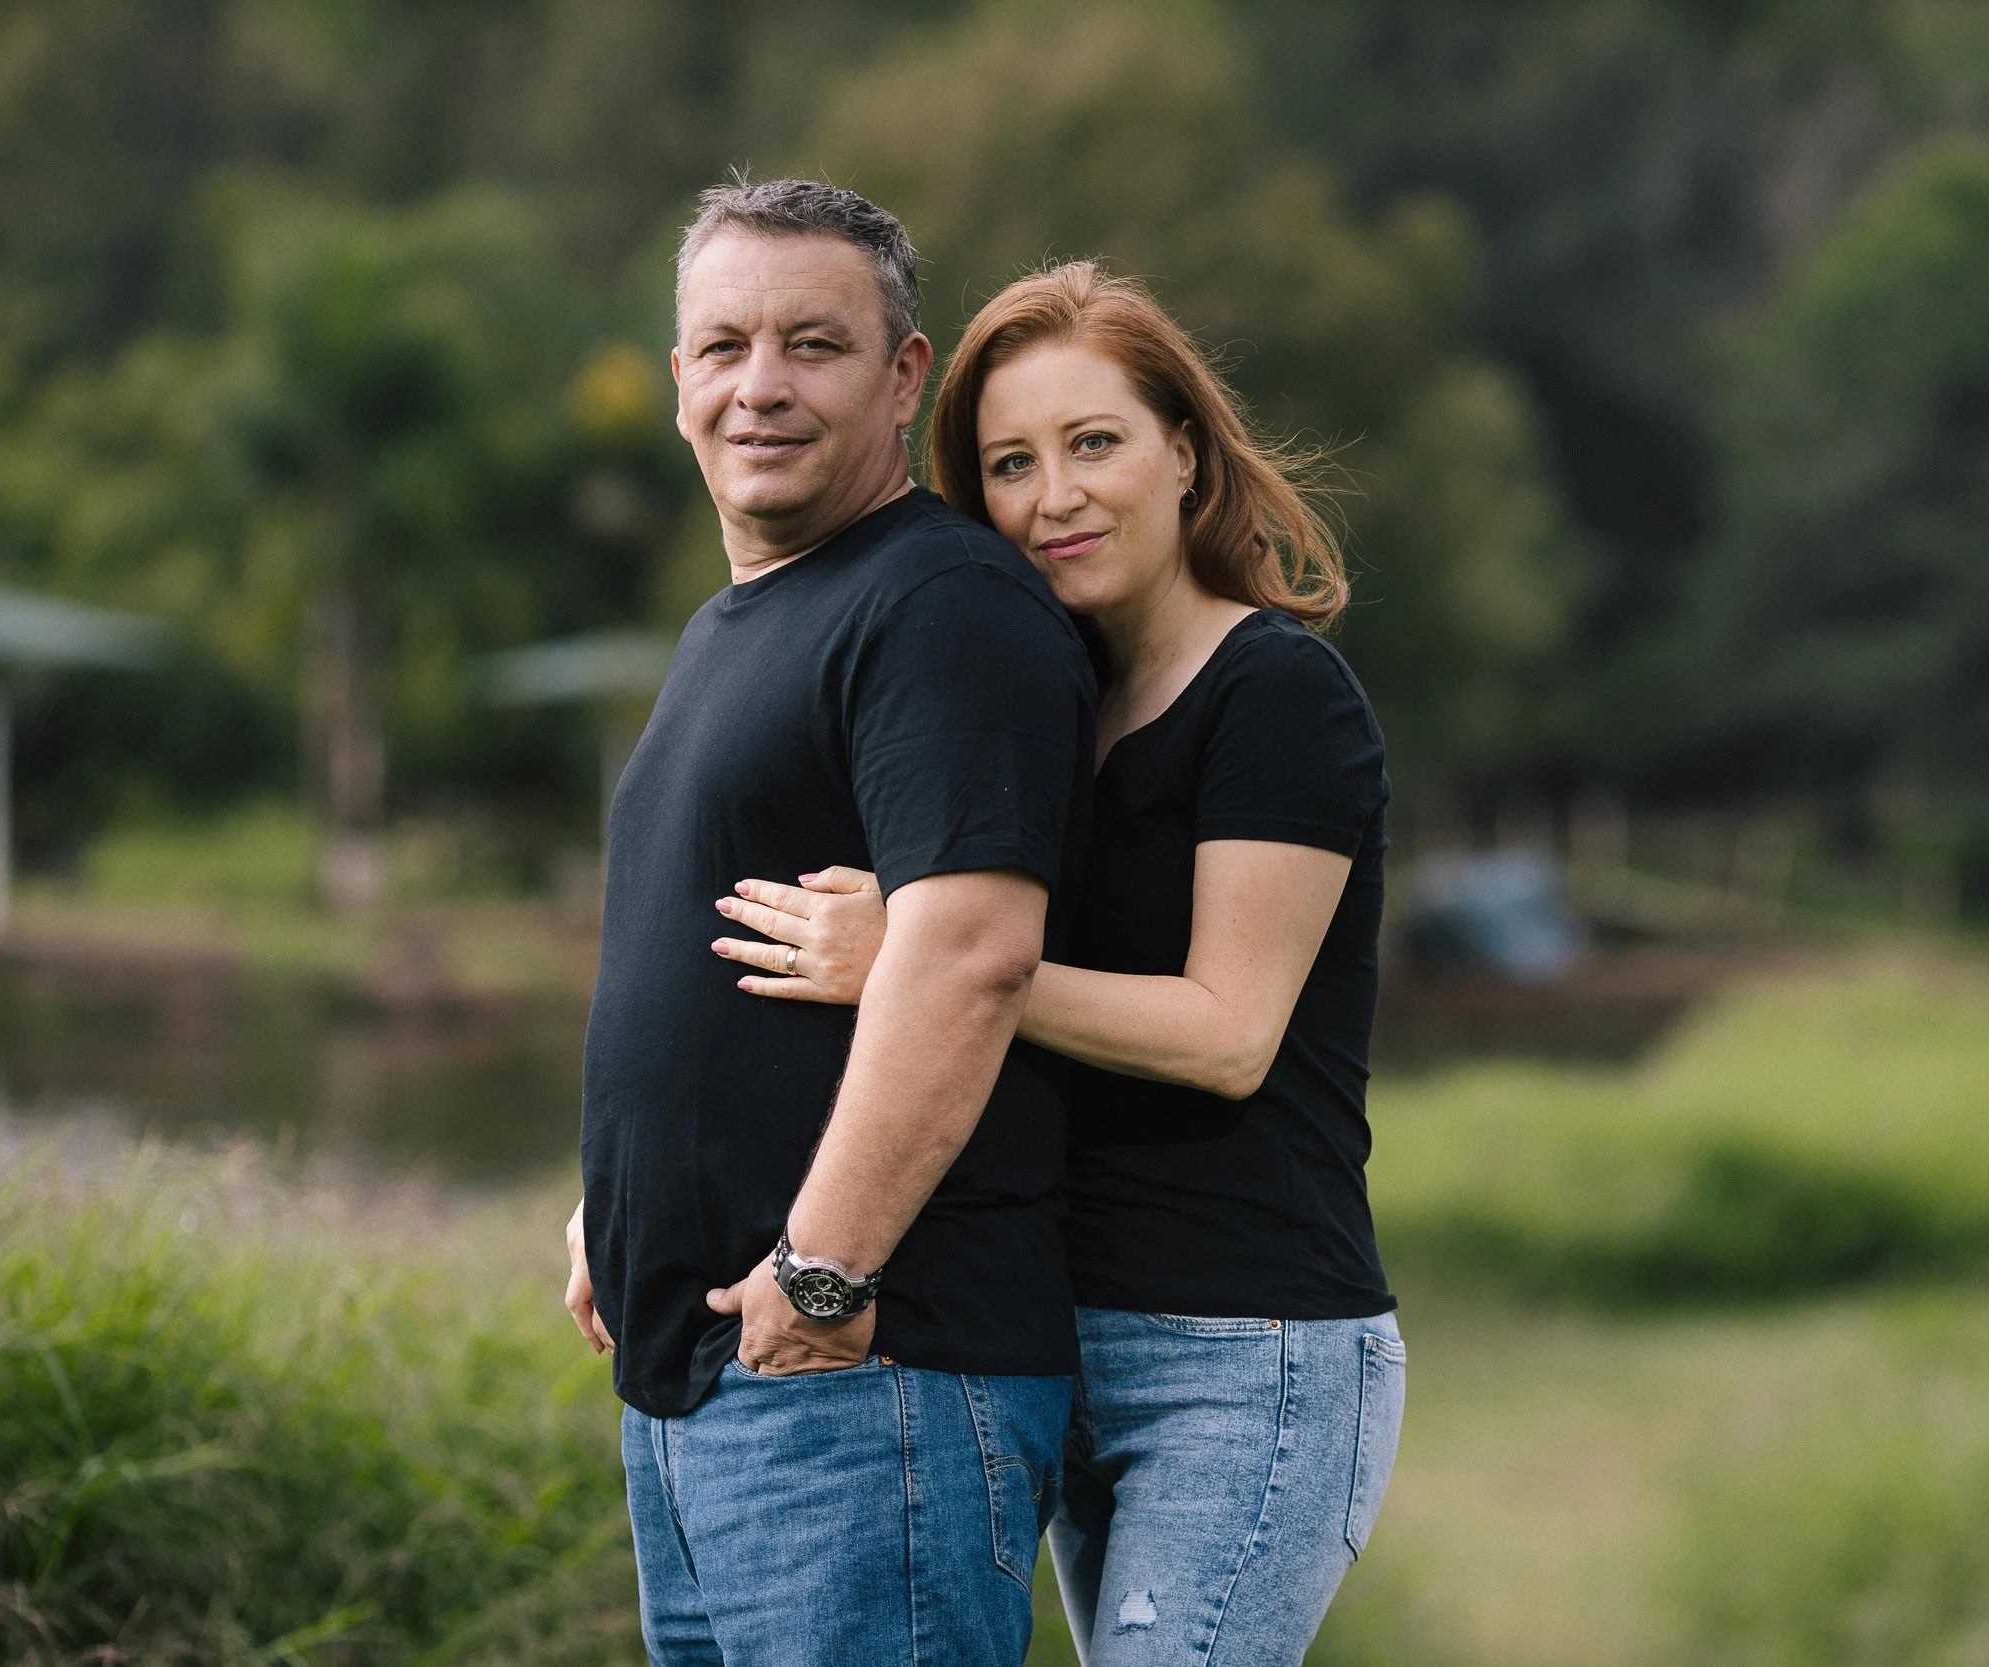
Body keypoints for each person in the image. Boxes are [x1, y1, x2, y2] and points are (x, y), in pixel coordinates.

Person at [707, 262, 1404, 1667]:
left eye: (1096, 444)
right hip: (1057, 1327)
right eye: (1010, 465)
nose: (1054, 497)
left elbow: (1228, 1031)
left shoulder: (1274, 690)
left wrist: (919, 958)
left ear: (1185, 452)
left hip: (1249, 1350)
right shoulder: (1041, 702)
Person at [561, 180, 1095, 1666]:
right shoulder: (739, 621)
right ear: (679, 382)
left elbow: (972, 953)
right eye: (723, 346)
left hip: (868, 1381)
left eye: (814, 343)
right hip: (720, 1388)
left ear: (904, 375)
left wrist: (822, 1270)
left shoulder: (943, 607)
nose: (760, 385)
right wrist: (621, 1197)